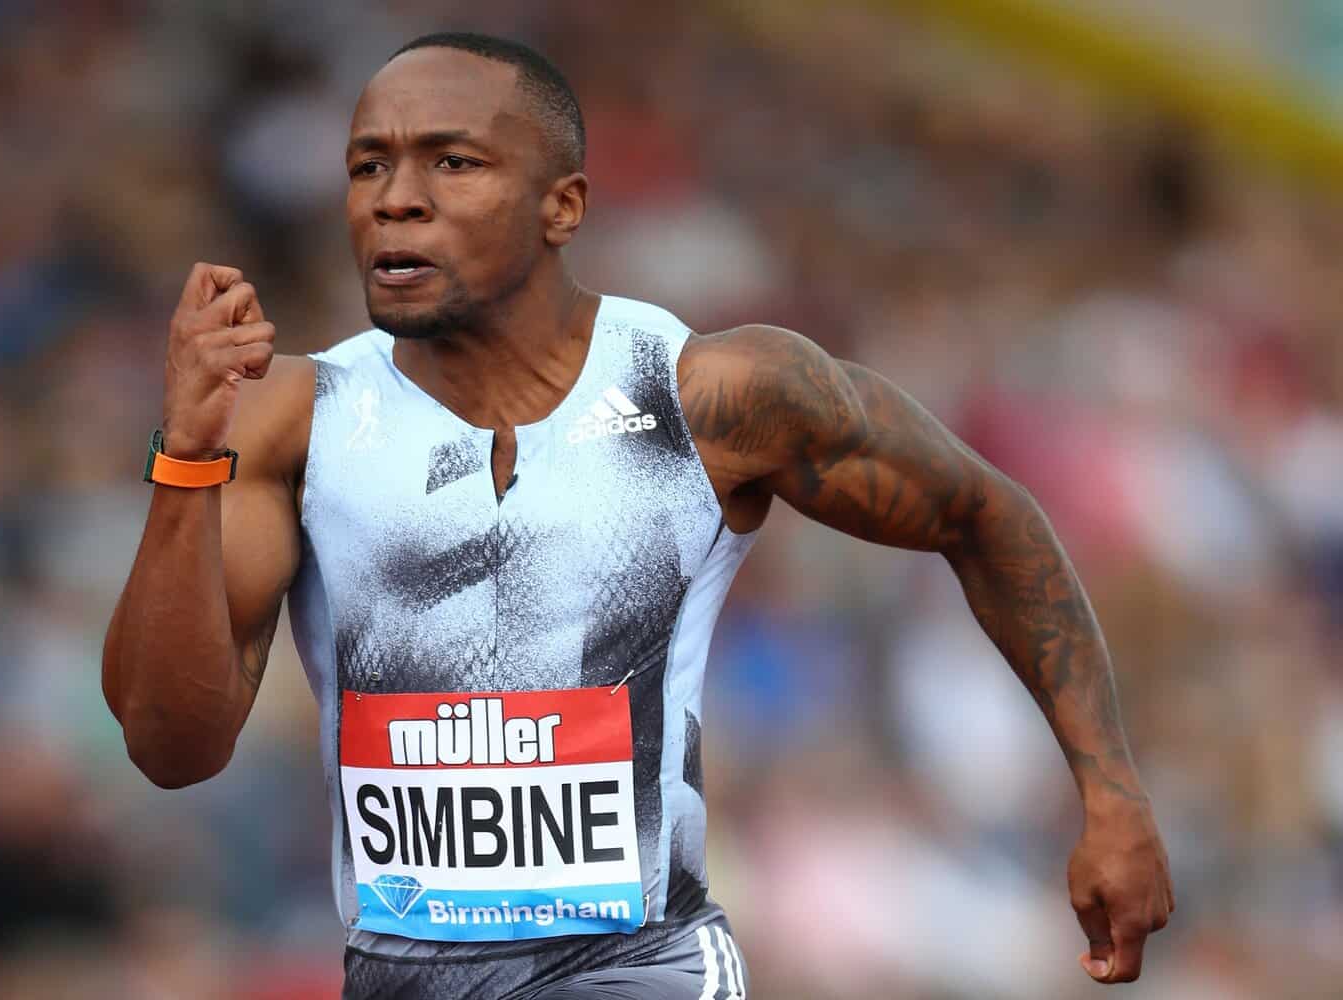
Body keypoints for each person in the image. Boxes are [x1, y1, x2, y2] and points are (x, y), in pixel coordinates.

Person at [101, 31, 1174, 1000]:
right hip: (402, 977)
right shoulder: (298, 419)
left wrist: (1110, 794)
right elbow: (170, 748)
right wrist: (185, 459)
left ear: (562, 206)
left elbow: (984, 514)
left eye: (452, 163)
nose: (396, 199)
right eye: (367, 166)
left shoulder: (710, 395)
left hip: (641, 967)